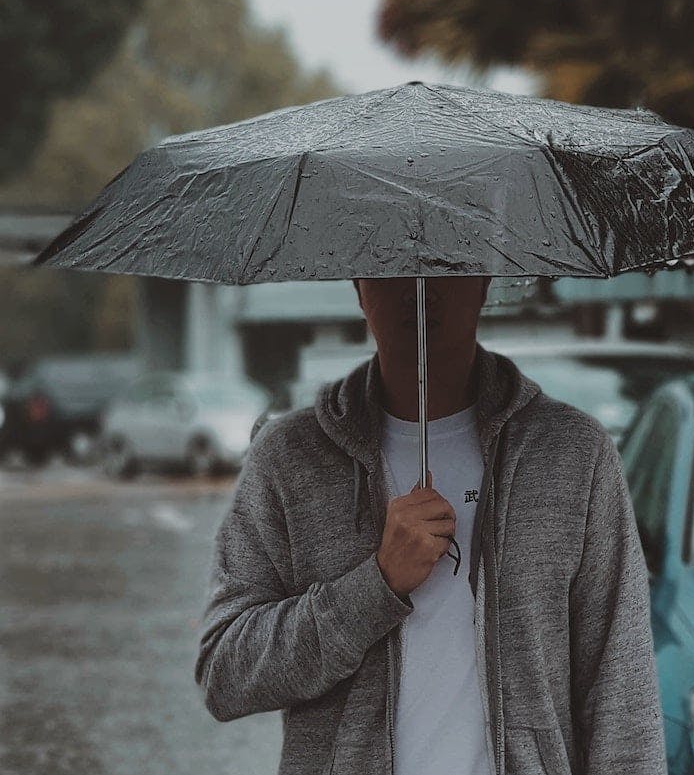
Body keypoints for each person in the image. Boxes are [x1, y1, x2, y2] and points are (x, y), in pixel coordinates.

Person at [194, 275, 666, 775]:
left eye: (447, 264)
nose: (420, 290)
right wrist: (375, 585)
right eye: (389, 264)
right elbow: (226, 674)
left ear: (483, 281)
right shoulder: (290, 457)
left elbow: (621, 691)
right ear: (359, 288)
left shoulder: (573, 453)